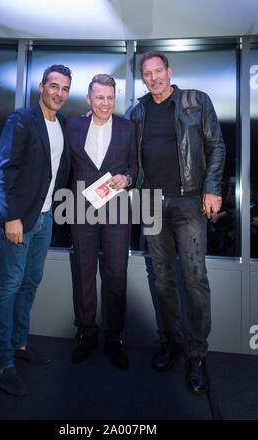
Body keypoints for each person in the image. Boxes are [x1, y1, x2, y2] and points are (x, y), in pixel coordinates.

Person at [130, 51, 226, 394]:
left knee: (195, 277)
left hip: (189, 201)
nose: (153, 77)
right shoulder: (137, 111)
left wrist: (212, 189)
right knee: (162, 277)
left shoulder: (195, 101)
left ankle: (197, 353)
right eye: (147, 73)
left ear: (169, 72)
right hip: (150, 203)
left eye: (158, 71)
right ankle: (172, 341)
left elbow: (217, 145)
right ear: (142, 78)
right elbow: (127, 151)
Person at [0, 64, 72, 396]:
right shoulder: (21, 120)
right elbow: (5, 170)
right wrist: (10, 217)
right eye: (54, 86)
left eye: (65, 89)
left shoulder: (62, 124)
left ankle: (19, 344)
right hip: (20, 219)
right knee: (8, 285)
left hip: (46, 218)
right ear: (42, 87)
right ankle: (2, 361)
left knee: (30, 282)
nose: (59, 93)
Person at [67, 74, 137, 370]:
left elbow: (135, 164)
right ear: (89, 99)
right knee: (83, 272)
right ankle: (86, 334)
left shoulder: (128, 127)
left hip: (118, 209)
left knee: (116, 275)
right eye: (99, 98)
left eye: (110, 97)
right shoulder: (73, 125)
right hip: (81, 208)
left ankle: (114, 337)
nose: (105, 103)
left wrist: (129, 178)